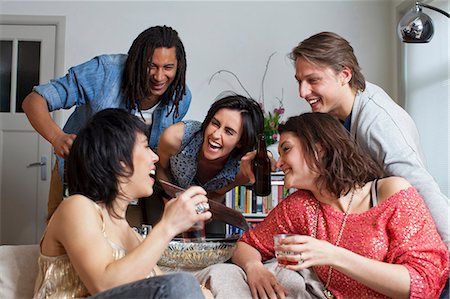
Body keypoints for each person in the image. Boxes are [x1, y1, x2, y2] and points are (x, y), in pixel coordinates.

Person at [231, 113, 449, 299]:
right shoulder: (300, 207)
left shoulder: (390, 193)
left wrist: (333, 255)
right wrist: (254, 268)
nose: (279, 163)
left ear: (320, 149)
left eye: (286, 149)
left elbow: (423, 284)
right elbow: (246, 245)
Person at [288, 32, 450, 256]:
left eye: (313, 80)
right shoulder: (335, 114)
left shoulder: (378, 123)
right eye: (299, 81)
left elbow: (421, 187)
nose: (302, 92)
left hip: (408, 241)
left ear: (344, 74)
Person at [33, 108, 212, 298]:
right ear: (118, 160)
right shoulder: (76, 207)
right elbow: (105, 286)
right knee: (182, 284)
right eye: (145, 146)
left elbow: (157, 286)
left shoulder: (131, 235)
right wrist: (169, 225)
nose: (155, 157)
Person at [22, 25, 191, 220]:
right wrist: (57, 138)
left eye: (168, 67)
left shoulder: (181, 99)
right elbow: (33, 101)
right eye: (151, 66)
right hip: (82, 179)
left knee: (127, 246)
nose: (159, 76)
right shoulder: (104, 72)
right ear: (136, 61)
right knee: (65, 239)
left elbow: (159, 153)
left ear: (179, 66)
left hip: (130, 191)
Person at [150, 93, 264, 231]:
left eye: (228, 132)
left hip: (206, 202)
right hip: (162, 191)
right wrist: (171, 203)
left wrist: (201, 214)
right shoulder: (174, 137)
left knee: (213, 244)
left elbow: (218, 193)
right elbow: (161, 167)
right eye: (215, 123)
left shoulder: (242, 169)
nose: (215, 135)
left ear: (240, 142)